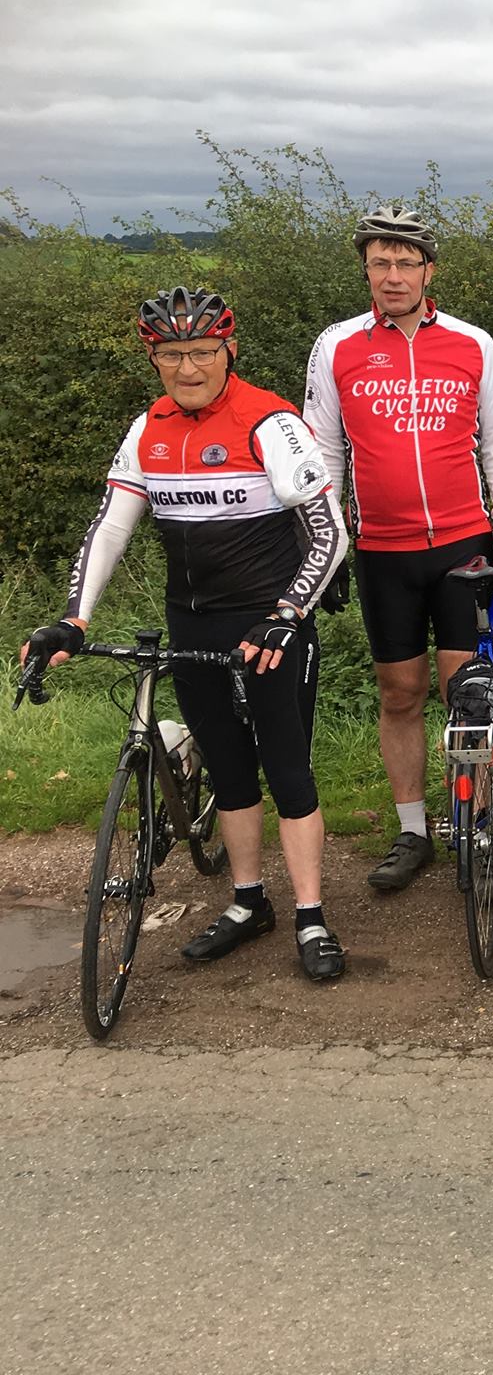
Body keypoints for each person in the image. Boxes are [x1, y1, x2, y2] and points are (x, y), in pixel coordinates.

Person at [20, 289, 348, 980]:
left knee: (288, 772)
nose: (188, 367)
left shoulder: (271, 420)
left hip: (269, 625)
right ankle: (247, 901)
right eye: (171, 354)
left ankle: (312, 915)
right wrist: (75, 618)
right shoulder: (149, 429)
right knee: (229, 771)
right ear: (154, 358)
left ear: (230, 350)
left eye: (202, 351)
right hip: (191, 622)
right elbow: (111, 527)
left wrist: (287, 614)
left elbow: (328, 534)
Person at [304, 204, 493, 894]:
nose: (393, 274)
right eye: (381, 262)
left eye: (406, 262)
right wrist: (328, 543)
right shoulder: (337, 345)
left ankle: (483, 823)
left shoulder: (471, 343)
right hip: (384, 551)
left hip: (464, 545)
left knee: (468, 694)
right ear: (365, 269)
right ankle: (412, 830)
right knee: (398, 693)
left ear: (429, 270)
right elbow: (323, 450)